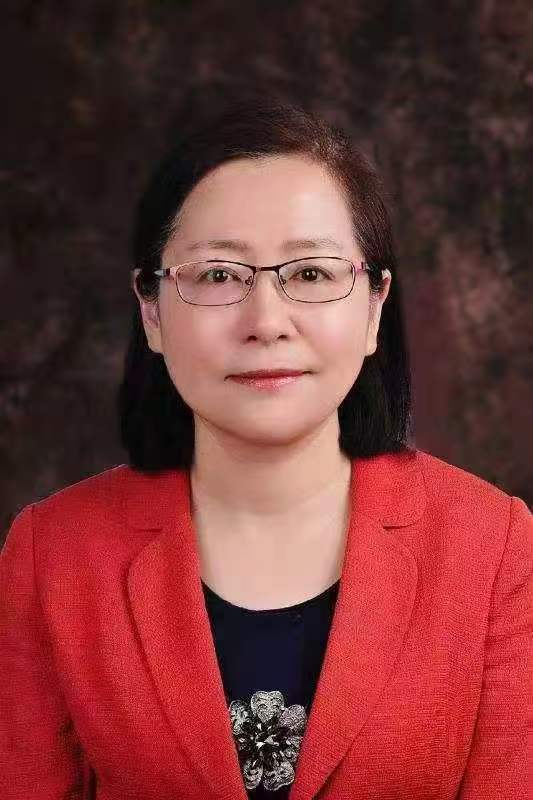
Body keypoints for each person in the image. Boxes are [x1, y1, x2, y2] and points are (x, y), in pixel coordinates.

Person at [1, 96, 531, 800]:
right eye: (219, 275)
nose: (266, 321)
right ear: (151, 310)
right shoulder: (53, 554)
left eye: (310, 273)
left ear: (374, 306)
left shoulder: (495, 548)